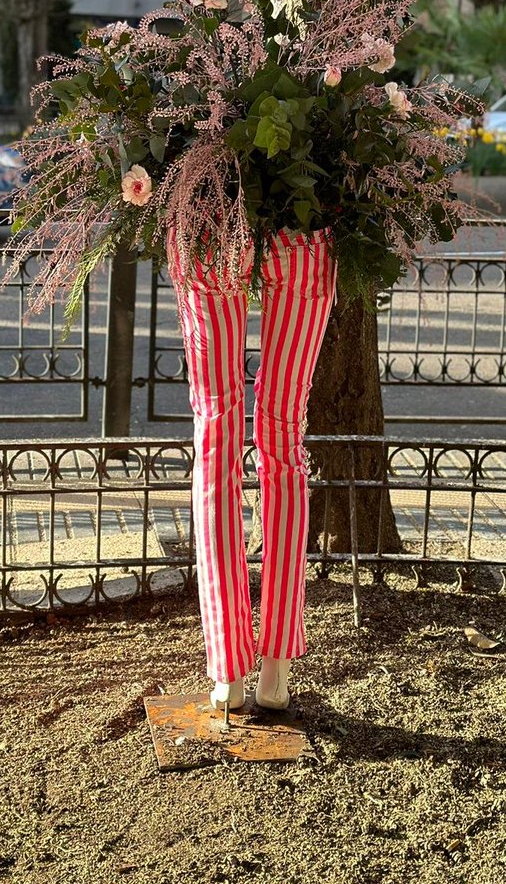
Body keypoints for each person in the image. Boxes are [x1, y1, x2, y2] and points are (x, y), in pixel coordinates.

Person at [166, 225, 336, 712]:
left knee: (216, 432)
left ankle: (228, 670)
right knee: (283, 437)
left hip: (210, 218)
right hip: (305, 223)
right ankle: (276, 671)